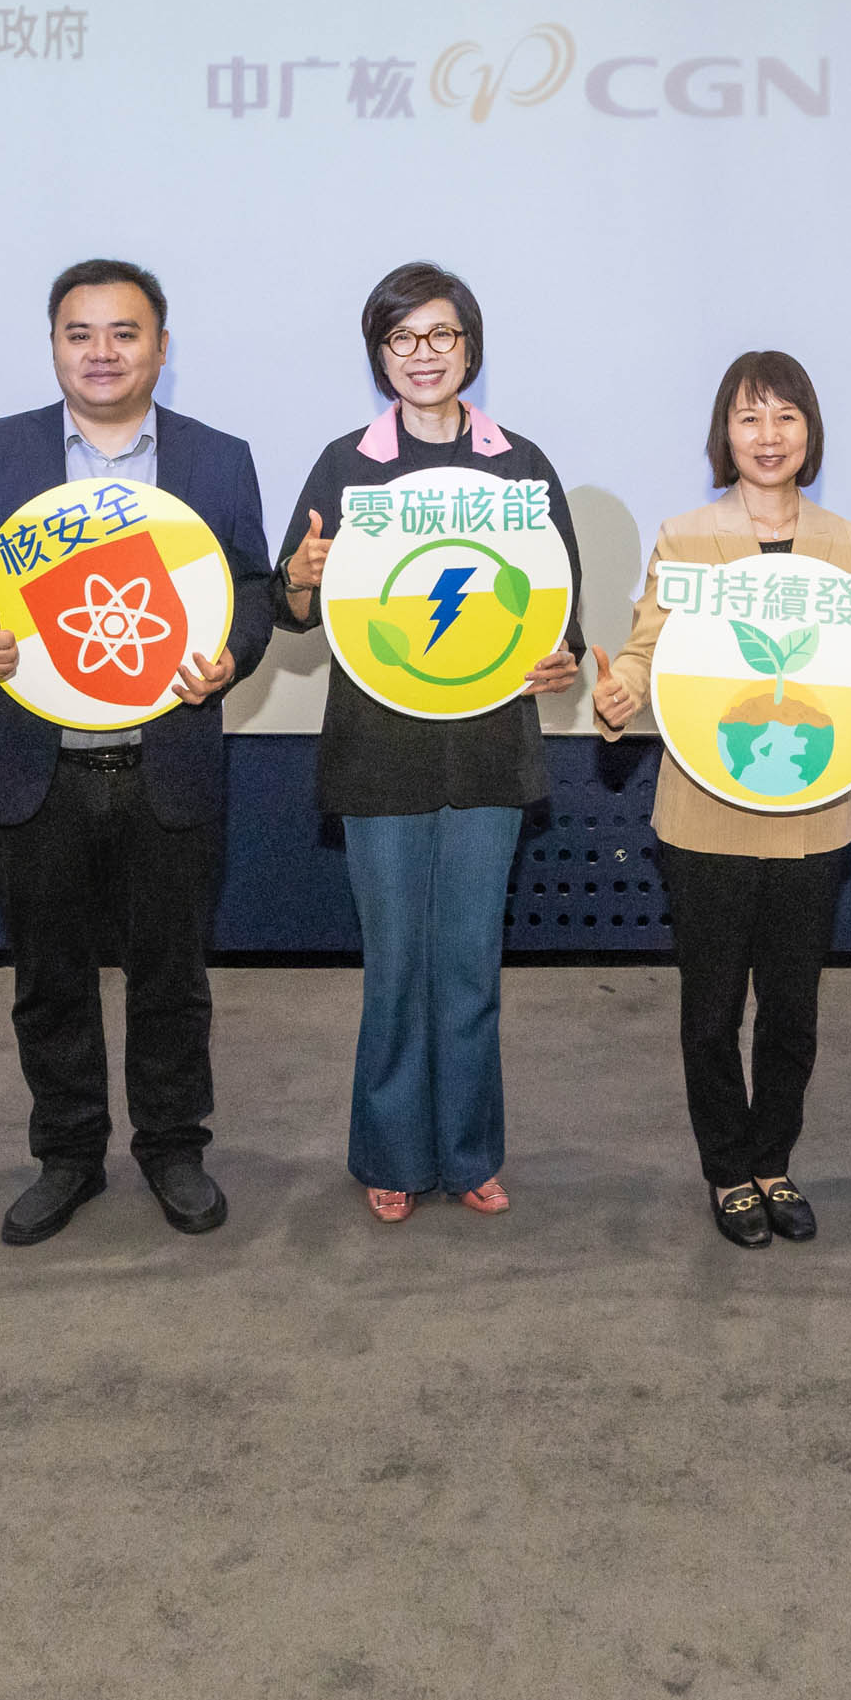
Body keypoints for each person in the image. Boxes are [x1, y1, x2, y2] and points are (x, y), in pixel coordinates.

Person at [0, 259, 275, 1248]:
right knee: (49, 977)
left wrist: (230, 656)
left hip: (167, 762)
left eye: (123, 333)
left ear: (160, 346)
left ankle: (172, 1147)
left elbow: (252, 587)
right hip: (37, 767)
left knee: (172, 974)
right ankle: (67, 1153)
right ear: (54, 344)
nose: (101, 352)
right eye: (80, 333)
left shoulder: (215, 458)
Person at [271, 263, 587, 1223]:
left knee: (468, 962)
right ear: (379, 353)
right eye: (402, 339)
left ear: (469, 348)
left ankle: (471, 1153)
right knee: (395, 964)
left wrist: (564, 660)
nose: (422, 356)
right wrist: (300, 573)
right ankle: (391, 1153)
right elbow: (292, 610)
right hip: (379, 750)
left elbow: (558, 610)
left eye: (440, 337)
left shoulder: (518, 463)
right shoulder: (346, 463)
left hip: (490, 748)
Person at [589, 351, 851, 1248]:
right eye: (748, 418)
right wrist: (623, 699)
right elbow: (650, 649)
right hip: (705, 814)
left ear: (810, 432)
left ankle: (776, 1161)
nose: (768, 438)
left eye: (785, 418)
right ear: (723, 435)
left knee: (794, 1013)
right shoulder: (686, 536)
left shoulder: (848, 543)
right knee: (711, 1012)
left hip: (813, 815)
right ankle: (728, 1171)